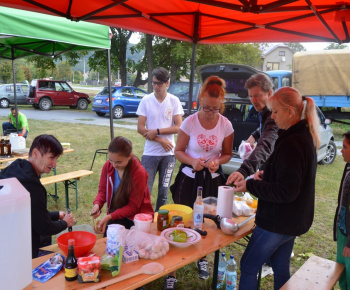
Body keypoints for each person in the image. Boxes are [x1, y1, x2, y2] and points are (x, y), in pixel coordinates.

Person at [234, 87, 320, 290]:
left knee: (248, 265)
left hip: (279, 222)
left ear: (290, 111)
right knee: (280, 265)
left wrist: (250, 184)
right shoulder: (301, 135)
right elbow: (292, 178)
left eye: (275, 112)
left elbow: (286, 192)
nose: (272, 117)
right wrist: (268, 174)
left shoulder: (293, 142)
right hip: (293, 221)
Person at [169, 76, 233, 285]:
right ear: (200, 100)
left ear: (221, 105)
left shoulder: (226, 125)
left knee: (207, 219)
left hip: (211, 179)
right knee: (182, 218)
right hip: (189, 178)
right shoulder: (190, 122)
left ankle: (202, 258)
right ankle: (173, 270)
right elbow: (178, 151)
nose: (209, 112)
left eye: (215, 109)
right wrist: (192, 161)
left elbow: (227, 154)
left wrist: (217, 162)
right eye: (206, 107)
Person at [0, 134, 75, 258]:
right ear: (35, 153)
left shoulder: (17, 167)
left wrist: (56, 215)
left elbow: (30, 213)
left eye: (56, 159)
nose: (54, 164)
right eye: (51, 158)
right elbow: (44, 228)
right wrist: (65, 223)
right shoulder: (32, 187)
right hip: (19, 252)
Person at [136, 67, 184, 211]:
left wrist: (157, 131)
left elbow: (179, 127)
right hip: (150, 153)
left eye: (159, 83)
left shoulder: (174, 101)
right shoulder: (146, 100)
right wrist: (160, 139)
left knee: (163, 193)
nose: (156, 86)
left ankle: (159, 221)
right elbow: (140, 128)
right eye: (154, 83)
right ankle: (145, 219)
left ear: (167, 83)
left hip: (168, 155)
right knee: (145, 192)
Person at [91, 136, 154, 234]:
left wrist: (110, 216)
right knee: (109, 242)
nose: (114, 165)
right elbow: (102, 191)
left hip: (136, 219)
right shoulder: (108, 166)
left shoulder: (139, 173)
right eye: (111, 160)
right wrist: (97, 204)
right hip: (117, 214)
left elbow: (133, 206)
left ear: (129, 156)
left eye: (119, 162)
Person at [226, 73, 278, 185]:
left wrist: (244, 170)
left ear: (269, 93)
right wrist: (254, 136)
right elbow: (264, 128)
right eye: (250, 96)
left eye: (257, 95)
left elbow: (266, 144)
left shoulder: (274, 114)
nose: (253, 100)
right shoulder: (265, 112)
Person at [334, 131, 350, 289]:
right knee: (342, 275)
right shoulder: (348, 166)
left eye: (345, 147)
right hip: (343, 231)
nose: (341, 150)